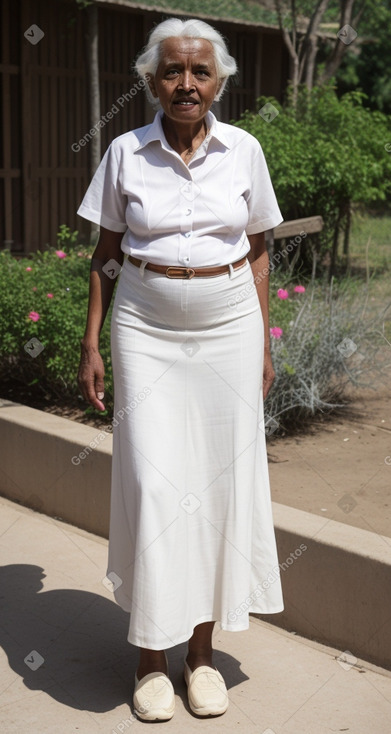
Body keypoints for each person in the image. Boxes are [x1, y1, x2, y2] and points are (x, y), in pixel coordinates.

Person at [77, 16, 284, 722]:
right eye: (172, 72)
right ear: (150, 80)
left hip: (228, 323)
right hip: (145, 323)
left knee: (215, 488)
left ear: (218, 80)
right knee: (153, 488)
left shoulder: (244, 151)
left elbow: (257, 251)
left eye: (199, 72)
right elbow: (105, 251)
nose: (185, 85)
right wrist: (91, 341)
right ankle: (149, 661)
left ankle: (200, 658)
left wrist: (261, 342)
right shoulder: (124, 153)